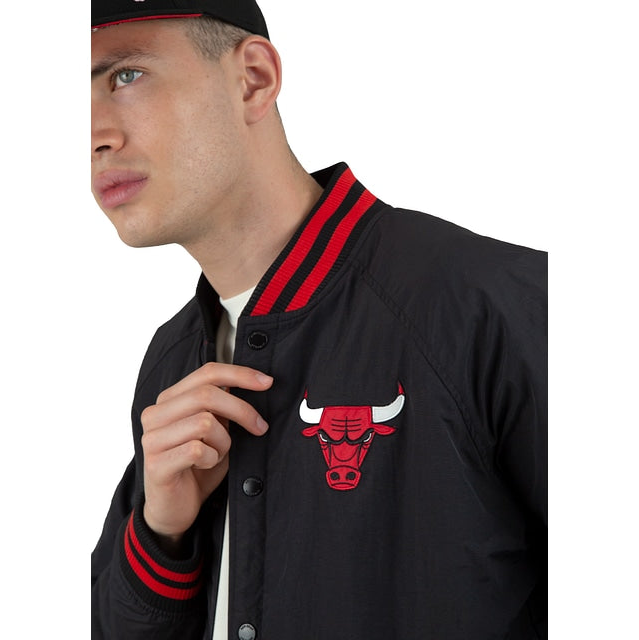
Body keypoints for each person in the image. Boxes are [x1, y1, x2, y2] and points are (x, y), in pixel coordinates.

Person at [91, 1, 548, 638]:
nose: (92, 134)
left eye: (126, 76)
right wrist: (161, 534)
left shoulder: (492, 302)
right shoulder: (170, 361)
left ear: (253, 79)